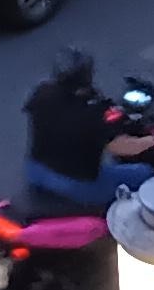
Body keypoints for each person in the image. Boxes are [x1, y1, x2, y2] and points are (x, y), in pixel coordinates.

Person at [22, 52, 118, 211]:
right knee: (143, 172)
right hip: (74, 183)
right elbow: (118, 145)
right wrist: (151, 140)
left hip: (35, 171)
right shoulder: (93, 112)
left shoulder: (42, 92)